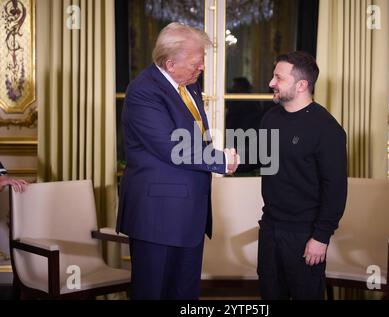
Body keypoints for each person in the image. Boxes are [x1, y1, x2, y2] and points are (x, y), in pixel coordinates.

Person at [116, 22, 239, 300]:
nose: (202, 68)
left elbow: (196, 140)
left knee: (184, 294)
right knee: (153, 292)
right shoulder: (144, 91)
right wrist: (221, 161)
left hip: (189, 213)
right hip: (157, 215)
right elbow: (172, 147)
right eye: (197, 62)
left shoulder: (189, 85)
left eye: (202, 61)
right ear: (170, 64)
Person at [257, 51, 348, 300]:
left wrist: (321, 236)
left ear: (301, 85)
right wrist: (225, 160)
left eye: (278, 78)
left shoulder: (328, 129)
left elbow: (335, 189)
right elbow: (263, 159)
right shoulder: (271, 117)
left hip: (305, 233)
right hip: (270, 227)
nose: (271, 83)